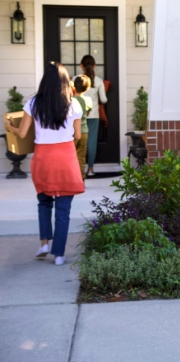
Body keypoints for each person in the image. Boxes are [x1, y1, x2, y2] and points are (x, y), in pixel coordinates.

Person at [4, 62, 84, 266]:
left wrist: (9, 128)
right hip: (65, 157)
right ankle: (58, 254)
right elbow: (77, 135)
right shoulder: (74, 104)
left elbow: (22, 133)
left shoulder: (32, 104)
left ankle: (44, 243)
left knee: (44, 201)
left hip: (43, 158)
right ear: (65, 81)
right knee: (63, 208)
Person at [80, 55, 107, 177]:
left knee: (78, 142)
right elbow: (104, 99)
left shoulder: (76, 79)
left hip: (78, 116)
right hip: (93, 115)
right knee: (91, 142)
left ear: (81, 66)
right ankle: (90, 169)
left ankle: (77, 170)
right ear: (94, 66)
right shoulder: (99, 81)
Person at [72, 75, 93, 180]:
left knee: (70, 157)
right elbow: (87, 114)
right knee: (81, 157)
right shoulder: (88, 100)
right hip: (84, 131)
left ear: (74, 86)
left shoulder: (70, 100)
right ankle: (81, 179)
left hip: (71, 132)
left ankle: (71, 179)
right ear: (87, 88)